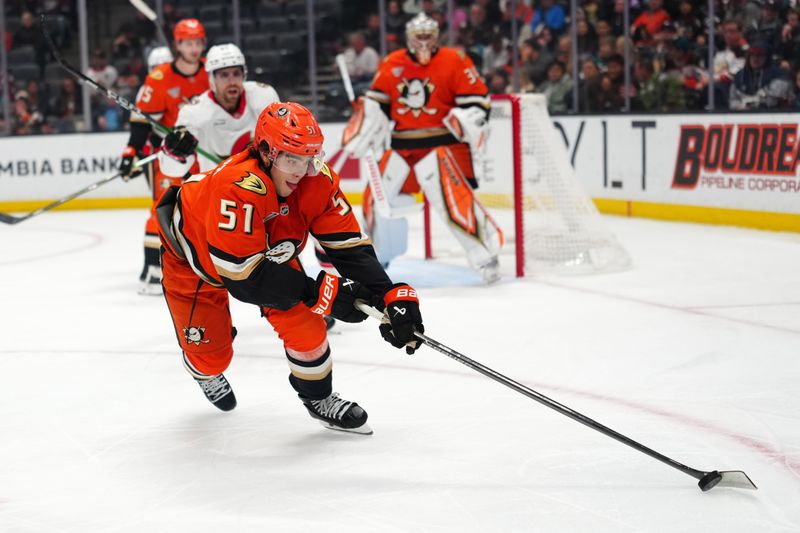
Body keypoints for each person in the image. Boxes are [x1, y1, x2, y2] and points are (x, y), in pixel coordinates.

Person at [155, 102, 424, 434]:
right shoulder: (236, 187)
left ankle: (319, 399)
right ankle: (202, 367)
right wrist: (321, 293)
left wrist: (391, 295)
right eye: (291, 159)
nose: (300, 171)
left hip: (267, 253)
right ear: (265, 152)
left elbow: (350, 249)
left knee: (309, 330)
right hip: (195, 262)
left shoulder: (317, 179)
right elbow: (245, 280)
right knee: (212, 358)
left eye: (310, 158)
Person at [342, 13, 503, 283]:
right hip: (402, 146)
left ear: (436, 36)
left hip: (443, 145)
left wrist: (464, 120)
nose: (424, 41)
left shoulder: (455, 60)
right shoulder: (393, 62)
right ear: (409, 38)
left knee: (452, 201)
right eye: (419, 36)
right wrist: (364, 122)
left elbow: (479, 102)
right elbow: (377, 104)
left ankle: (486, 255)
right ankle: (376, 259)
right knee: (376, 199)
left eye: (428, 35)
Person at [118, 19, 209, 295]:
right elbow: (141, 121)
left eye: (197, 43)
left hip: (206, 153)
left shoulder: (212, 71)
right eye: (188, 43)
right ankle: (155, 269)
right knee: (164, 208)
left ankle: (206, 266)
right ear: (178, 45)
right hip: (172, 155)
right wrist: (131, 150)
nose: (193, 48)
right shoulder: (158, 79)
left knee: (205, 210)